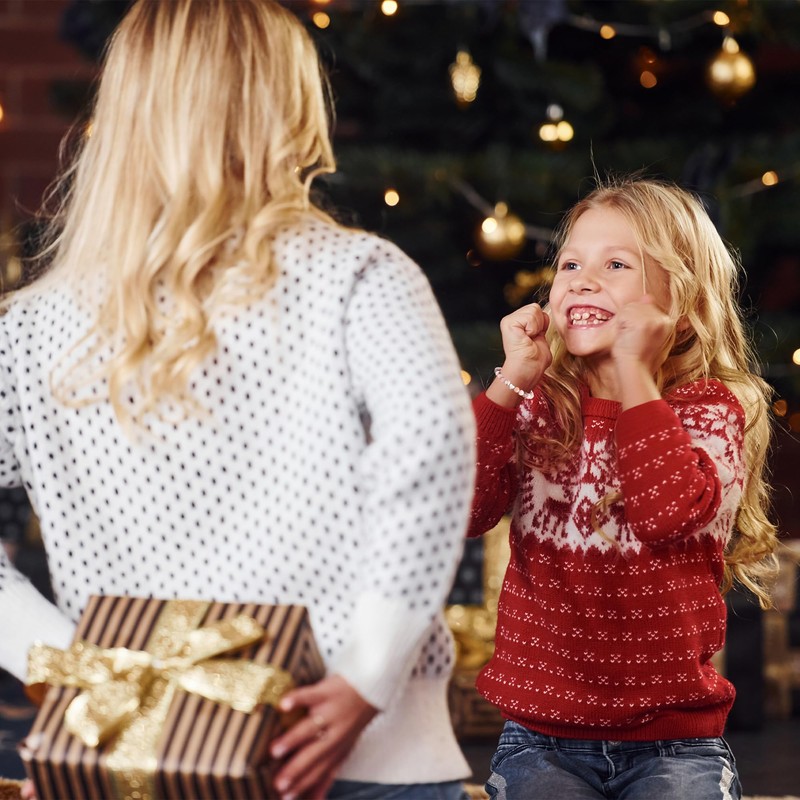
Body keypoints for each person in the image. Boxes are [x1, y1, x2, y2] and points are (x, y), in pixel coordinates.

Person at [0, 2, 476, 798]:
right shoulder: (359, 277)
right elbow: (433, 452)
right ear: (289, 107)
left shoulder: (32, 326)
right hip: (360, 755)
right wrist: (367, 676)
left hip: (143, 751)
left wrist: (65, 665)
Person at [468, 176, 779, 800]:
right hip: (540, 739)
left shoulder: (709, 412)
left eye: (615, 265)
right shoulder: (540, 405)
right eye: (570, 265)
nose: (583, 281)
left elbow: (666, 513)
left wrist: (634, 372)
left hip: (675, 745)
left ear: (681, 303)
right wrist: (510, 381)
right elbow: (464, 509)